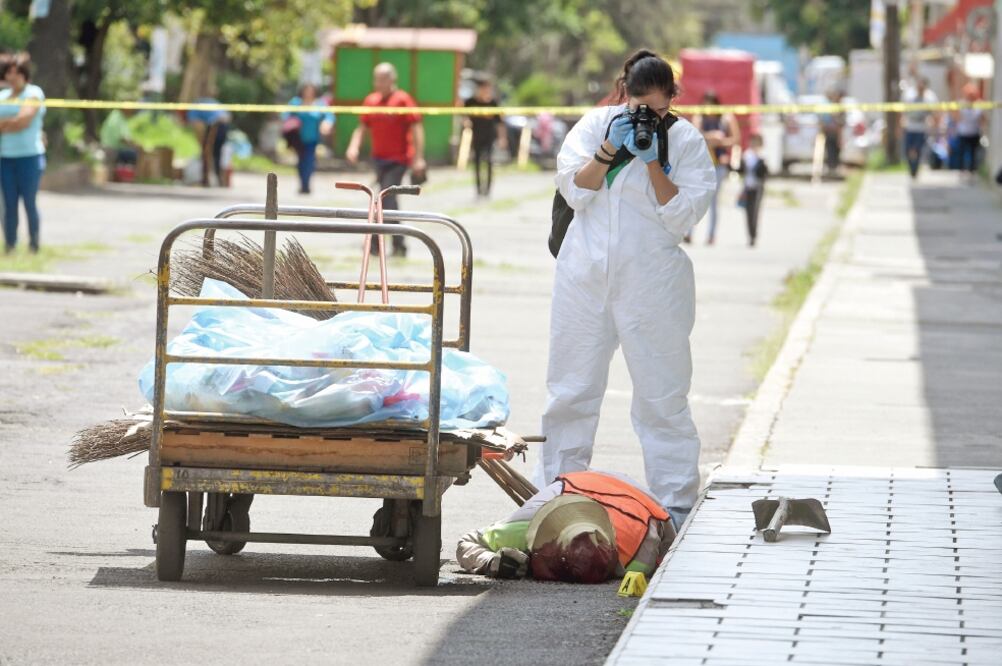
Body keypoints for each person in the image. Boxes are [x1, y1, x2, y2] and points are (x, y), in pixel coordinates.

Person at [535, 49, 716, 523]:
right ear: (624, 94)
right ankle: (557, 494)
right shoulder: (596, 126)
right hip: (584, 277)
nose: (646, 117)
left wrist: (654, 161)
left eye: (657, 109)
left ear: (672, 98)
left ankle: (676, 503)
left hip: (653, 283)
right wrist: (607, 151)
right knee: (570, 390)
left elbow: (681, 217)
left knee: (662, 396)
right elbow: (574, 189)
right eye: (639, 107)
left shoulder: (685, 140)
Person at [457, 470, 676, 590]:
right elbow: (467, 542)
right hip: (577, 482)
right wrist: (490, 561)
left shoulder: (639, 558)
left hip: (640, 498)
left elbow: (672, 550)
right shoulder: (527, 525)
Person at [346, 63, 427, 257]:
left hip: (399, 160)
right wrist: (353, 146)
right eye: (376, 79)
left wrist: (419, 158)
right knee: (382, 199)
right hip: (379, 160)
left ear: (392, 79)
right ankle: (382, 244)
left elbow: (417, 129)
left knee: (386, 198)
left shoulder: (403, 100)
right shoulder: (371, 101)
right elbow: (362, 128)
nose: (379, 83)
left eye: (383, 79)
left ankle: (389, 243)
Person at [0, 54, 46, 254]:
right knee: (8, 204)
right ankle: (10, 244)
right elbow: (17, 121)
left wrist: (4, 124)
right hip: (5, 157)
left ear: (24, 74)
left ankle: (34, 244)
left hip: (29, 157)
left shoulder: (34, 93)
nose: (13, 76)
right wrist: (12, 122)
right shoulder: (2, 96)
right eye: (10, 72)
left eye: (17, 72)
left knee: (29, 202)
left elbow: (23, 121)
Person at [693, 90, 739, 245]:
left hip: (719, 163)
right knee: (696, 198)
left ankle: (711, 235)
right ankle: (689, 232)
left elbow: (735, 139)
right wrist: (710, 136)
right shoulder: (699, 117)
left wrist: (720, 142)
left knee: (713, 201)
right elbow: (694, 133)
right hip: (701, 164)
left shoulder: (726, 118)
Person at [283, 83, 334, 194]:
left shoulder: (320, 103)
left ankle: (306, 185)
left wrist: (327, 123)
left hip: (312, 139)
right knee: (301, 162)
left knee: (309, 161)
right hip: (298, 139)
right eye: (306, 90)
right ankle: (302, 184)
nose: (308, 93)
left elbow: (329, 116)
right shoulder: (296, 102)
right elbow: (286, 115)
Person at [464, 78, 507, 198]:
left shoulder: (493, 103)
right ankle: (478, 189)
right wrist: (465, 121)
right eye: (483, 88)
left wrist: (502, 138)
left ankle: (487, 189)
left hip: (489, 137)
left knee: (489, 162)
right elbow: (463, 115)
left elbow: (500, 123)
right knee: (477, 162)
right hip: (476, 136)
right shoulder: (471, 102)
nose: (485, 91)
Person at [186, 95, 231, 187]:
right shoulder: (210, 101)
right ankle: (218, 179)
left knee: (209, 153)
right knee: (217, 153)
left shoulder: (193, 109)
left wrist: (202, 142)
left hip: (215, 126)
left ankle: (208, 179)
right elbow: (227, 116)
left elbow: (197, 126)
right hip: (223, 125)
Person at [902, 78, 938, 180]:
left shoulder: (930, 97)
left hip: (922, 127)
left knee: (917, 149)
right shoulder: (909, 94)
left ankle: (915, 169)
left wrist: (934, 125)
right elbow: (903, 110)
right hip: (910, 126)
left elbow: (934, 112)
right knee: (908, 149)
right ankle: (911, 168)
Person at [738, 134, 768, 247]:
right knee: (748, 212)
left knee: (755, 211)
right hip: (747, 186)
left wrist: (761, 162)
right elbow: (741, 169)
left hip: (758, 187)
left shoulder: (762, 156)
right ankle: (750, 234)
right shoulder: (747, 155)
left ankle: (753, 236)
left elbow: (764, 174)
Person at [955, 83, 985, 180]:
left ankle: (971, 171)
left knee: (973, 153)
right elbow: (957, 116)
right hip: (963, 132)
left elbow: (982, 118)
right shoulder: (961, 104)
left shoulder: (979, 105)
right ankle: (961, 170)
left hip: (974, 132)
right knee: (962, 153)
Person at [819, 88, 845, 177]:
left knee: (836, 151)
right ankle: (830, 168)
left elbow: (841, 122)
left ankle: (835, 168)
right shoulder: (828, 106)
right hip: (829, 132)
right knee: (830, 151)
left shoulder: (841, 107)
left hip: (837, 132)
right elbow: (823, 120)